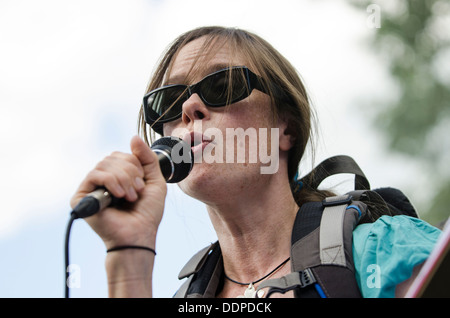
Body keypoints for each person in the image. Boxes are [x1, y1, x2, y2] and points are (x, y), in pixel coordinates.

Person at [70, 26, 442, 298]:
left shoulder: (385, 251)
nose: (188, 108)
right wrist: (128, 254)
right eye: (168, 101)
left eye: (223, 85)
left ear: (285, 130)